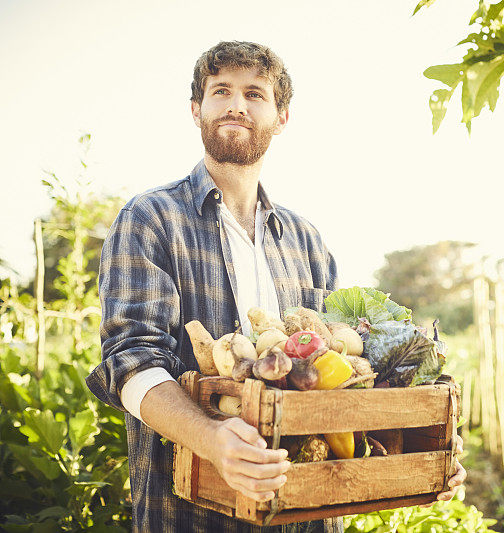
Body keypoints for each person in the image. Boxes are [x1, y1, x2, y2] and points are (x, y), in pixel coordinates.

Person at [85, 41, 466, 533]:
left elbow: (351, 374)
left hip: (306, 513)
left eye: (255, 93)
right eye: (220, 91)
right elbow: (130, 362)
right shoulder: (151, 220)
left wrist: (421, 450)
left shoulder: (306, 241)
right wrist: (211, 439)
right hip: (187, 512)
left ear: (282, 116)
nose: (236, 104)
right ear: (197, 109)